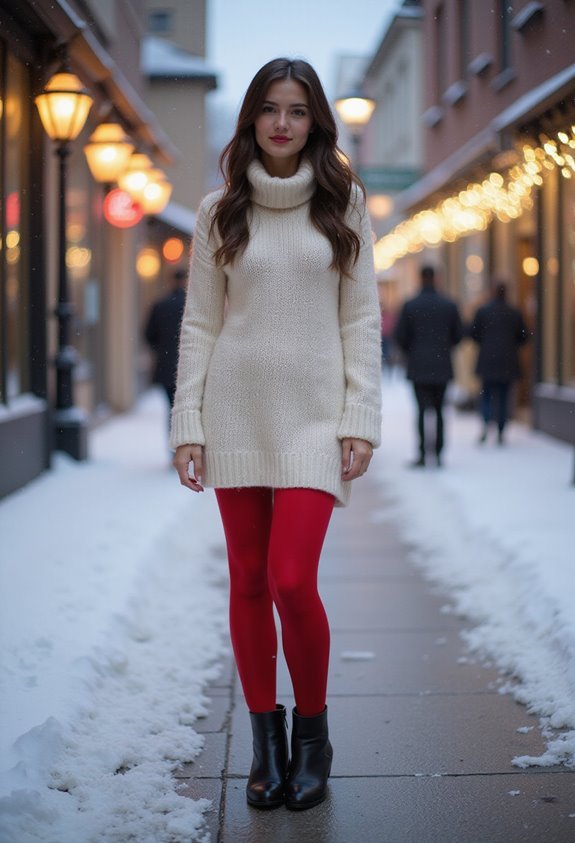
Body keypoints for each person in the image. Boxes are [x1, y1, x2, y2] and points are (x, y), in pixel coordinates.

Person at [170, 58, 382, 811]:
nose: (282, 123)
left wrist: (360, 419)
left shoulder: (342, 203)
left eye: (296, 110)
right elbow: (201, 323)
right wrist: (187, 423)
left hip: (314, 417)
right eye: (269, 109)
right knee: (250, 580)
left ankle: (313, 736)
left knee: (293, 579)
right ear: (251, 120)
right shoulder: (217, 210)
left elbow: (359, 321)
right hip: (234, 410)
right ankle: (266, 742)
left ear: (314, 120)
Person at [394, 265, 462, 467]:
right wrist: (443, 347)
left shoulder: (410, 305)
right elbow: (458, 335)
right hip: (442, 366)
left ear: (419, 279)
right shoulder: (449, 305)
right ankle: (439, 454)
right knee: (440, 411)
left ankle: (423, 454)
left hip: (419, 366)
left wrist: (414, 351)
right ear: (437, 278)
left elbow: (400, 336)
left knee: (422, 411)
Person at [470, 280, 528, 444]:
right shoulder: (514, 312)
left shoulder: (483, 311)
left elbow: (473, 334)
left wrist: (487, 343)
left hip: (488, 360)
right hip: (507, 361)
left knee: (487, 395)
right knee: (503, 397)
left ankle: (486, 425)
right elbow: (523, 337)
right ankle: (501, 431)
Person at [144, 268, 187, 412]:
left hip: (166, 366)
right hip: (188, 364)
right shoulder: (190, 305)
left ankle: (172, 432)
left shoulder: (160, 306)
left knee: (171, 407)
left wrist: (162, 349)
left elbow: (149, 335)